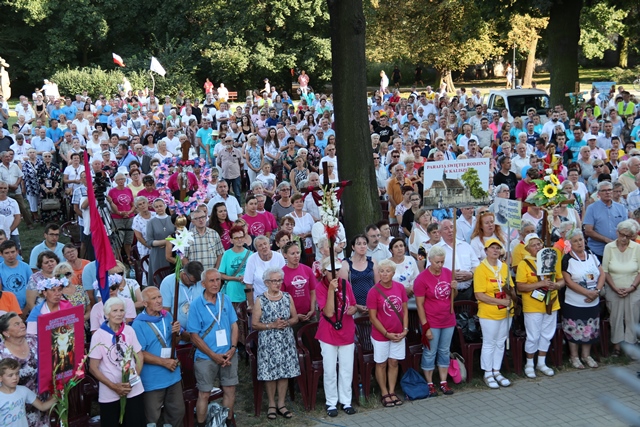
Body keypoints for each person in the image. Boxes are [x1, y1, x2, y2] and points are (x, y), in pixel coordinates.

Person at [186, 268, 239, 427]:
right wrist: (213, 355)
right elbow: (194, 336)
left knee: (230, 389)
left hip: (228, 354)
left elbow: (234, 325)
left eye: (218, 280)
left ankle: (227, 422)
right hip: (206, 357)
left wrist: (233, 348)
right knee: (204, 393)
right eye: (212, 281)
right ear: (203, 284)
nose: (216, 284)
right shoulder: (196, 305)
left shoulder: (225, 299)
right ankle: (201, 424)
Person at [89, 297, 146, 427]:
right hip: (110, 393)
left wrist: (133, 380)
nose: (119, 314)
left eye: (121, 310)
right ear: (107, 314)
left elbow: (139, 356)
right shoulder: (98, 335)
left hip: (133, 389)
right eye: (115, 311)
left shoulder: (129, 330)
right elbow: (93, 367)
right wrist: (114, 386)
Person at [251, 268, 300, 420]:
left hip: (285, 340)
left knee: (284, 372)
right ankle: (272, 404)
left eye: (279, 280)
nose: (277, 283)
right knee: (270, 374)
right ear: (266, 283)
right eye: (274, 281)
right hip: (268, 341)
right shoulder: (260, 300)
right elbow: (254, 324)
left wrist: (287, 323)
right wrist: (271, 325)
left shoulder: (287, 297)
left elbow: (295, 318)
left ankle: (281, 404)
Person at [132, 287, 184, 427]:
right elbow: (140, 353)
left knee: (177, 412)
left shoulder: (167, 316)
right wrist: (164, 363)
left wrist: (177, 333)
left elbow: (176, 341)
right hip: (153, 379)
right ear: (145, 303)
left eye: (159, 297)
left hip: (173, 375)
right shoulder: (138, 324)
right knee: (152, 418)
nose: (159, 301)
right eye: (154, 298)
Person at [516, 233, 565, 378]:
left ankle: (542, 363)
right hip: (533, 305)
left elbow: (561, 279)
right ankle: (529, 364)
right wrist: (540, 284)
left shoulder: (551, 259)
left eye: (539, 244)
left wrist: (557, 285)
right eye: (533, 245)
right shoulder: (524, 264)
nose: (537, 247)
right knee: (533, 336)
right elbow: (520, 286)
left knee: (547, 334)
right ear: (528, 249)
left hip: (551, 302)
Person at [315, 256, 358, 417]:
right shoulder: (320, 287)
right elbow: (328, 312)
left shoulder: (345, 284)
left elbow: (352, 304)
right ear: (324, 272)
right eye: (331, 270)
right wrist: (331, 291)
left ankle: (346, 400)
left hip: (346, 330)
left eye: (337, 270)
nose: (335, 273)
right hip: (328, 332)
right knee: (330, 369)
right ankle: (331, 402)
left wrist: (353, 309)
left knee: (346, 368)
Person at [414, 246, 457, 397]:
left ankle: (443, 381)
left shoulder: (448, 273)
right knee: (430, 351)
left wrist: (455, 288)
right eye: (437, 262)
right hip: (431, 320)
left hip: (448, 319)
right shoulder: (421, 279)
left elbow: (452, 297)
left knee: (444, 350)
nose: (440, 265)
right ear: (430, 260)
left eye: (442, 262)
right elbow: (419, 304)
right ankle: (429, 382)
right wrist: (425, 326)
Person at [367, 259, 408, 407]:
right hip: (381, 335)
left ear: (393, 273)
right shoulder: (373, 292)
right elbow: (372, 317)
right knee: (381, 363)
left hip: (398, 333)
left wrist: (405, 329)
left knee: (394, 362)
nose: (384, 274)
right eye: (381, 271)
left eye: (387, 271)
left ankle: (392, 390)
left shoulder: (400, 288)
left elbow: (404, 310)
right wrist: (386, 334)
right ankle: (384, 392)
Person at [561, 229, 604, 369]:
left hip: (593, 300)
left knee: (589, 329)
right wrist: (587, 293)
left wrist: (597, 291)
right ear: (570, 243)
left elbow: (602, 273)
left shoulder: (591, 254)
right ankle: (574, 357)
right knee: (574, 329)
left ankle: (586, 355)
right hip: (575, 302)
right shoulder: (567, 259)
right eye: (575, 241)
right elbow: (568, 282)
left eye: (580, 239)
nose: (579, 243)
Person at [474, 238, 513, 388]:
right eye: (492, 248)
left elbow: (510, 287)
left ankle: (497, 370)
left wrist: (510, 296)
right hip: (489, 313)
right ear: (486, 251)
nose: (495, 250)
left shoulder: (504, 267)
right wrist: (499, 301)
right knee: (489, 343)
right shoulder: (481, 269)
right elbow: (479, 294)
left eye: (498, 248)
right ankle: (487, 372)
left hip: (505, 312)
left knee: (500, 342)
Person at [0, 312, 51, 426]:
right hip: (15, 408)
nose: (22, 325)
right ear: (6, 333)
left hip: (41, 401)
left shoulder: (35, 340)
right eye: (16, 324)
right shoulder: (1, 353)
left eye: (22, 322)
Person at [602, 219, 640, 357]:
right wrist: (614, 288)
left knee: (632, 317)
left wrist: (632, 287)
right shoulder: (609, 247)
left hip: (633, 287)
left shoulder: (637, 248)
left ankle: (631, 345)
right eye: (622, 234)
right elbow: (605, 271)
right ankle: (617, 346)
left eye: (628, 236)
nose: (624, 238)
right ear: (617, 232)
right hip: (614, 287)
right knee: (615, 317)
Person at [0, 358, 55, 427]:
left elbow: (42, 406)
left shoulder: (23, 390)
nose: (15, 377)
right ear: (0, 378)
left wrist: (57, 397)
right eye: (10, 375)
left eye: (17, 373)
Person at [584, 181, 627, 261]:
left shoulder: (621, 208)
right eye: (604, 190)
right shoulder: (592, 208)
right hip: (597, 251)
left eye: (609, 190)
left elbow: (626, 228)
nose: (607, 192)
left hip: (617, 250)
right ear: (598, 193)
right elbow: (588, 231)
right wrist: (606, 239)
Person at [160, 260, 205, 334]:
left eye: (197, 282)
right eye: (192, 281)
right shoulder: (168, 283)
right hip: (178, 330)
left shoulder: (200, 282)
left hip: (200, 328)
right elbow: (165, 312)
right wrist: (180, 330)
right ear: (184, 275)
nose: (195, 284)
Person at [281, 241, 317, 330]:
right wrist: (294, 315)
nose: (296, 256)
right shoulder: (282, 273)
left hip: (310, 315)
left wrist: (312, 309)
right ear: (285, 255)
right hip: (292, 318)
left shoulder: (307, 270)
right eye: (292, 253)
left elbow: (313, 291)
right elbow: (282, 298)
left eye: (298, 253)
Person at [244, 235, 286, 310]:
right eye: (260, 245)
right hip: (259, 301)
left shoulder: (279, 257)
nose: (264, 247)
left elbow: (284, 279)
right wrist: (251, 305)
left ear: (269, 244)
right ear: (256, 249)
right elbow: (248, 284)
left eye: (265, 244)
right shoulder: (252, 259)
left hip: (278, 298)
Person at [347, 235, 380, 316]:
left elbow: (378, 285)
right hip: (354, 306)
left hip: (373, 304)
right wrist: (355, 306)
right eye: (359, 244)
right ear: (353, 247)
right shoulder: (346, 264)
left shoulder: (372, 262)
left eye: (364, 244)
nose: (362, 246)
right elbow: (344, 290)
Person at [108, 172, 135, 261]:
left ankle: (128, 258)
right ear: (115, 181)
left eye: (122, 179)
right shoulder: (112, 192)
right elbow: (111, 206)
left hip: (129, 217)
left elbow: (133, 205)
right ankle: (118, 260)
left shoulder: (128, 190)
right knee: (118, 240)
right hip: (117, 218)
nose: (121, 181)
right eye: (119, 179)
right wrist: (120, 213)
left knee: (128, 239)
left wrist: (129, 212)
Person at [0, 241, 32, 311]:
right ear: (1, 254)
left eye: (13, 252)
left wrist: (26, 309)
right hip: (8, 309)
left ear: (17, 252)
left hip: (27, 307)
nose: (10, 255)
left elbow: (32, 288)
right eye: (7, 253)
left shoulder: (26, 267)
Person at [146, 198, 175, 277]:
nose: (159, 208)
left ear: (165, 206)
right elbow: (149, 241)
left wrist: (167, 243)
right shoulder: (151, 222)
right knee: (158, 276)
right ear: (154, 209)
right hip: (158, 253)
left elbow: (178, 236)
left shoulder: (172, 219)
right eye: (156, 207)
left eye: (161, 206)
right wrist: (165, 242)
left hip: (171, 252)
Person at [25, 250, 59, 315]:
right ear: (41, 265)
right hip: (42, 313)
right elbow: (30, 303)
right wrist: (40, 316)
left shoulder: (62, 275)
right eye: (46, 263)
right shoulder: (34, 278)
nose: (50, 264)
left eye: (52, 261)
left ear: (56, 262)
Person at [37, 151, 62, 224]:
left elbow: (59, 178)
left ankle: (56, 220)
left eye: (49, 156)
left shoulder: (56, 166)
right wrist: (45, 188)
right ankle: (46, 220)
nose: (47, 158)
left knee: (55, 202)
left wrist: (55, 188)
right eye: (45, 156)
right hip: (44, 188)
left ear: (51, 157)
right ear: (43, 158)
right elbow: (39, 179)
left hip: (55, 188)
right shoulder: (40, 167)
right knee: (45, 203)